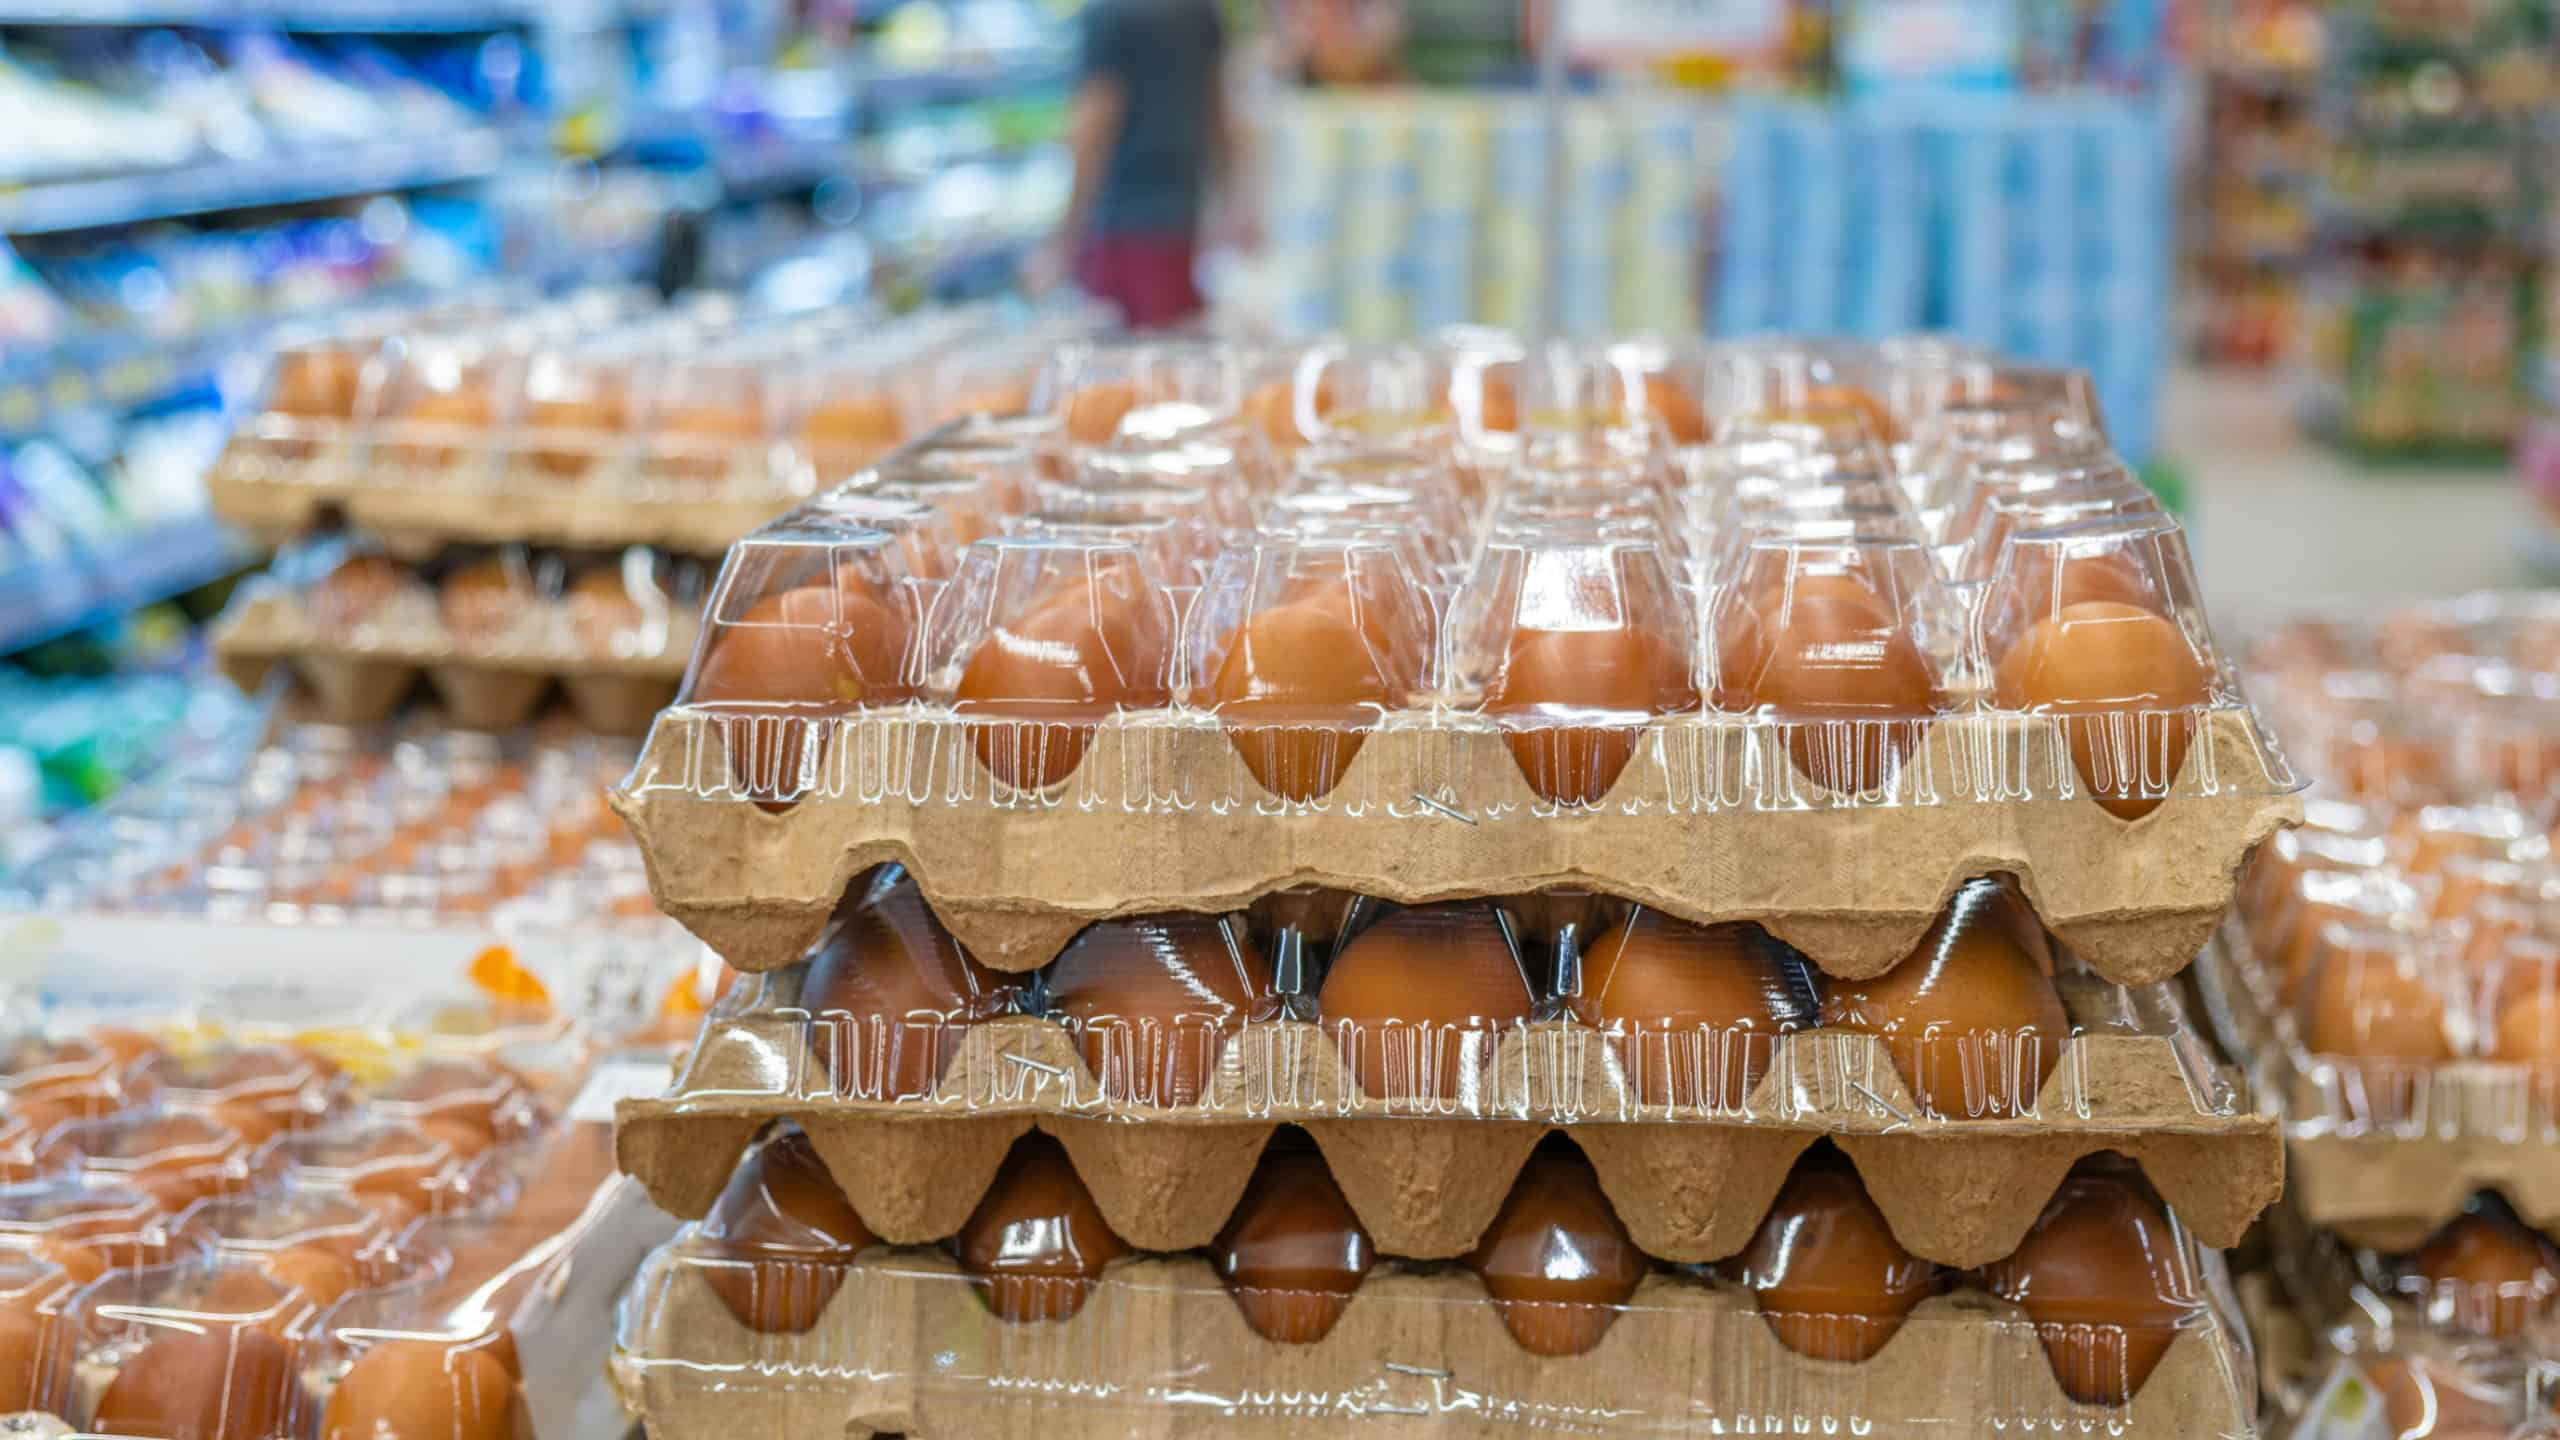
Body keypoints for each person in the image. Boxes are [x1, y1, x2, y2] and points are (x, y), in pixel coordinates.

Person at [1032, 0, 1234, 329]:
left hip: (1121, 227)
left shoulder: (1108, 13)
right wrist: (1231, 199)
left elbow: (1095, 122)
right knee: (1173, 354)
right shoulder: (1200, 11)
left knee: (1118, 362)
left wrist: (1065, 234)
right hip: (1182, 219)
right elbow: (1220, 111)